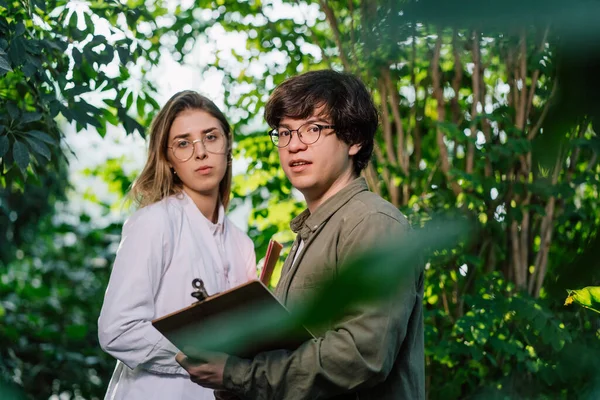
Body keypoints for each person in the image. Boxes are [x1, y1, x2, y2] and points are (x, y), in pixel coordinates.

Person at [176, 70, 425, 399]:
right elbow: (292, 353)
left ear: (354, 139)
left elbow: (362, 356)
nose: (294, 145)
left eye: (313, 129)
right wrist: (231, 372)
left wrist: (236, 373)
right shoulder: (310, 232)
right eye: (284, 132)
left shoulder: (373, 223)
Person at [98, 91, 257, 400]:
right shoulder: (153, 222)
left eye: (210, 137)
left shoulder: (242, 244)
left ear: (228, 146)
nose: (200, 153)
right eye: (183, 143)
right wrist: (196, 357)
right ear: (168, 160)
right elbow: (117, 329)